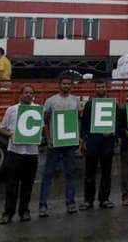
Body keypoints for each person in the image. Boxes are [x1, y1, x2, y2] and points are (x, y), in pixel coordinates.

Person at [38, 74, 80, 217]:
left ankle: (71, 203)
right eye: (64, 84)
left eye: (69, 84)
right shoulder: (50, 101)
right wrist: (48, 139)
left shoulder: (75, 100)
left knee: (70, 173)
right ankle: (43, 205)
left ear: (71, 86)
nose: (66, 86)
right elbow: (46, 121)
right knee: (48, 174)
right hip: (55, 144)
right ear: (59, 85)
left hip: (69, 144)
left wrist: (78, 138)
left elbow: (76, 121)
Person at [0, 85, 40, 224]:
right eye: (26, 92)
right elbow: (2, 128)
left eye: (31, 93)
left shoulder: (37, 110)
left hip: (31, 154)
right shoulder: (12, 110)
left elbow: (42, 130)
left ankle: (24, 212)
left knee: (27, 185)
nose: (29, 95)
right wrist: (12, 134)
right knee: (11, 185)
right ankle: (8, 213)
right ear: (20, 94)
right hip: (14, 153)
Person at [79, 80, 116, 210]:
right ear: (95, 89)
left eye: (103, 86)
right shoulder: (89, 104)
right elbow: (84, 124)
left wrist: (113, 132)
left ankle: (104, 199)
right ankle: (88, 200)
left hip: (107, 143)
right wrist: (83, 141)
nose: (101, 88)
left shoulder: (113, 104)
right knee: (90, 173)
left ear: (107, 88)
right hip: (93, 143)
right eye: (98, 86)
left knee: (106, 172)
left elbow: (117, 123)